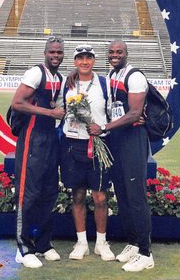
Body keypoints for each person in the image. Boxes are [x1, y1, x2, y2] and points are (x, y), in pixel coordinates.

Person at [88, 40, 154, 272]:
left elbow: (135, 113)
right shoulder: (112, 73)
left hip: (133, 139)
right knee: (123, 194)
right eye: (112, 52)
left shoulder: (134, 76)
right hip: (117, 139)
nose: (115, 55)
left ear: (127, 54)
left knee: (135, 196)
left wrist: (105, 127)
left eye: (119, 52)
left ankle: (146, 253)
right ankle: (134, 243)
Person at [11, 36, 65, 269]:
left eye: (59, 52)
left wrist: (54, 109)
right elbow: (17, 103)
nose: (55, 55)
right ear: (45, 53)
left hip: (50, 139)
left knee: (49, 191)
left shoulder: (59, 77)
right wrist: (49, 112)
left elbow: (54, 103)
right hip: (32, 139)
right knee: (28, 193)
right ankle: (23, 248)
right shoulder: (36, 73)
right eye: (52, 52)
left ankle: (43, 243)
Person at [61, 44, 115, 261]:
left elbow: (114, 110)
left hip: (99, 144)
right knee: (78, 195)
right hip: (73, 145)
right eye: (80, 58)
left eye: (89, 58)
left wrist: (102, 128)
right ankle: (81, 242)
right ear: (75, 62)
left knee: (100, 197)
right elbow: (59, 109)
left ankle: (101, 243)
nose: (84, 62)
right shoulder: (68, 83)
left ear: (94, 61)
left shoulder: (105, 83)